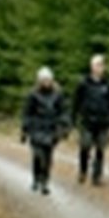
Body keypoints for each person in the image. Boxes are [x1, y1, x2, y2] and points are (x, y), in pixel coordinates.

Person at [72, 54, 109, 186]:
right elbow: (76, 102)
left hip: (103, 122)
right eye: (96, 65)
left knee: (100, 149)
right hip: (87, 122)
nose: (99, 68)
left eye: (101, 65)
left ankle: (97, 176)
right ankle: (83, 170)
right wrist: (73, 119)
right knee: (85, 146)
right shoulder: (83, 83)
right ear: (91, 67)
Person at [21, 66, 69, 195]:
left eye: (48, 80)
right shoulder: (32, 95)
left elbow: (63, 112)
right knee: (38, 156)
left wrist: (64, 127)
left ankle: (45, 182)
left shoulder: (58, 94)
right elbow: (27, 113)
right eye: (44, 80)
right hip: (36, 130)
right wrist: (24, 130)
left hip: (51, 130)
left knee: (48, 158)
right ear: (39, 81)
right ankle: (36, 178)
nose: (46, 82)